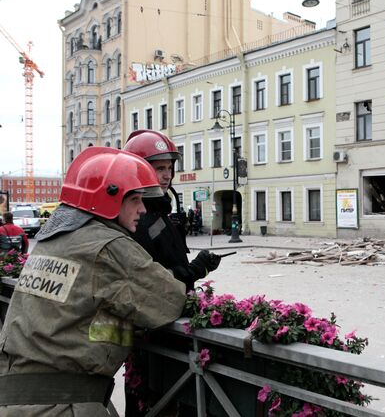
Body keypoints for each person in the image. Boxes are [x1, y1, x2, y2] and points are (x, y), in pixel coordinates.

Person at [0, 147, 187, 416]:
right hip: (62, 405)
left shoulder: (51, 241)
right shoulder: (109, 246)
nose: (143, 209)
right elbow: (170, 301)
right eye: (135, 199)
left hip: (15, 400)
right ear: (109, 198)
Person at [123, 130, 221, 292]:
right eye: (160, 169)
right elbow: (151, 281)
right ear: (139, 171)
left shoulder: (159, 211)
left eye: (170, 168)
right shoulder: (136, 218)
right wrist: (194, 269)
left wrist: (198, 269)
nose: (168, 175)